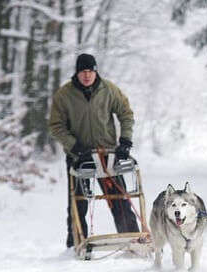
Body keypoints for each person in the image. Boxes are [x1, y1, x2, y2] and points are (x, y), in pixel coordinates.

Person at [49, 53, 140, 248]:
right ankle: (76, 244)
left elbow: (126, 113)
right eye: (83, 71)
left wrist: (125, 140)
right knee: (78, 202)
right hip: (79, 157)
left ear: (95, 71)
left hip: (107, 155)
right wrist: (74, 146)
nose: (87, 75)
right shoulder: (64, 95)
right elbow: (56, 126)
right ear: (77, 73)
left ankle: (132, 239)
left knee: (119, 200)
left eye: (90, 71)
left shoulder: (108, 90)